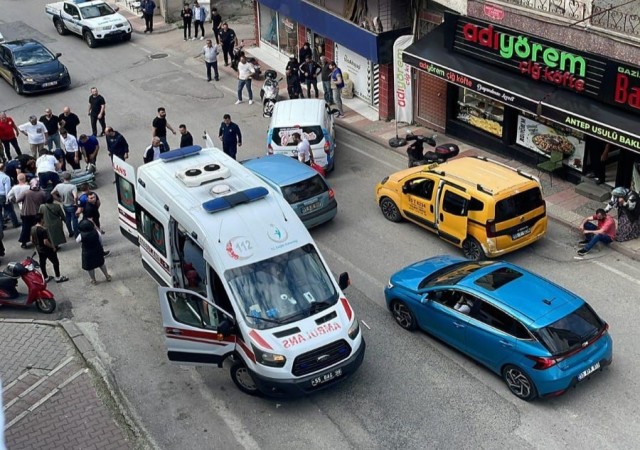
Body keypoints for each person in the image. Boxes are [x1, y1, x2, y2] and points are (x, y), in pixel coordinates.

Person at [31, 213, 68, 283]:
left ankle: (45, 277)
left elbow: (32, 240)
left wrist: (36, 246)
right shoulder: (43, 230)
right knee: (55, 262)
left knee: (42, 263)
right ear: (41, 219)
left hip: (39, 249)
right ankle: (58, 277)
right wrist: (52, 247)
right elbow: (45, 241)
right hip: (47, 249)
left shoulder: (33, 229)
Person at [76, 219, 111, 285]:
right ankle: (107, 276)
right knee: (101, 263)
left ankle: (93, 280)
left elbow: (77, 241)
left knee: (90, 267)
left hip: (87, 252)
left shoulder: (81, 235)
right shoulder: (96, 232)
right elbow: (100, 240)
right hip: (97, 250)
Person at [17, 178, 48, 249]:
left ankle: (24, 242)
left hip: (26, 214)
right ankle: (39, 241)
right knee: (38, 228)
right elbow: (46, 201)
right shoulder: (42, 193)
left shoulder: (26, 193)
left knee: (25, 228)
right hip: (37, 213)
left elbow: (17, 200)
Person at [52, 172, 78, 238]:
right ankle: (76, 233)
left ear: (63, 178)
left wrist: (59, 200)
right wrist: (76, 203)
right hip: (72, 205)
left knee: (68, 218)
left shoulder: (58, 186)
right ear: (70, 178)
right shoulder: (73, 187)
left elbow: (52, 193)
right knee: (74, 219)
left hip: (64, 205)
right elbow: (75, 197)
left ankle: (70, 232)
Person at [0, 163, 20, 229]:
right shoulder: (6, 177)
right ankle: (15, 223)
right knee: (10, 210)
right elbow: (7, 189)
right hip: (3, 195)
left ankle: (1, 226)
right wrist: (7, 198)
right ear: (4, 168)